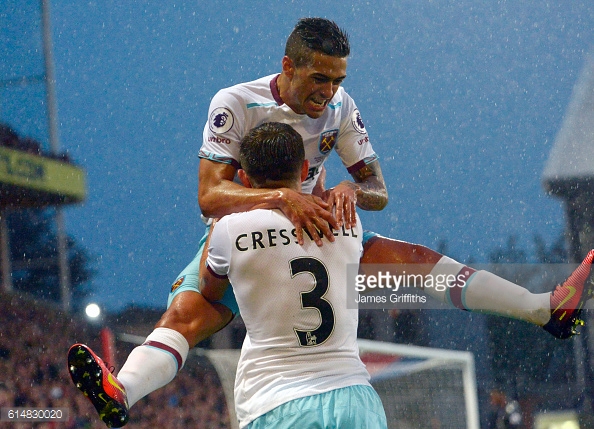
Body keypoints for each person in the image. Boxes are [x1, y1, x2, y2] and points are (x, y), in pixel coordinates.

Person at [67, 17, 594, 427]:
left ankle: (543, 310)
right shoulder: (234, 103)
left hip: (291, 236)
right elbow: (209, 196)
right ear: (287, 67)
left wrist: (349, 189)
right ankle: (123, 393)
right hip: (273, 233)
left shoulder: (340, 108)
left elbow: (377, 190)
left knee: (414, 266)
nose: (329, 92)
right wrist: (283, 199)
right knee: (188, 313)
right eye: (320, 78)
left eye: (339, 79)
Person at [199, 121, 387, 428]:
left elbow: (209, 290)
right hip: (356, 401)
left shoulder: (230, 229)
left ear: (244, 178)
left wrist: (225, 211)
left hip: (277, 399)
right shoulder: (348, 222)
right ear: (303, 170)